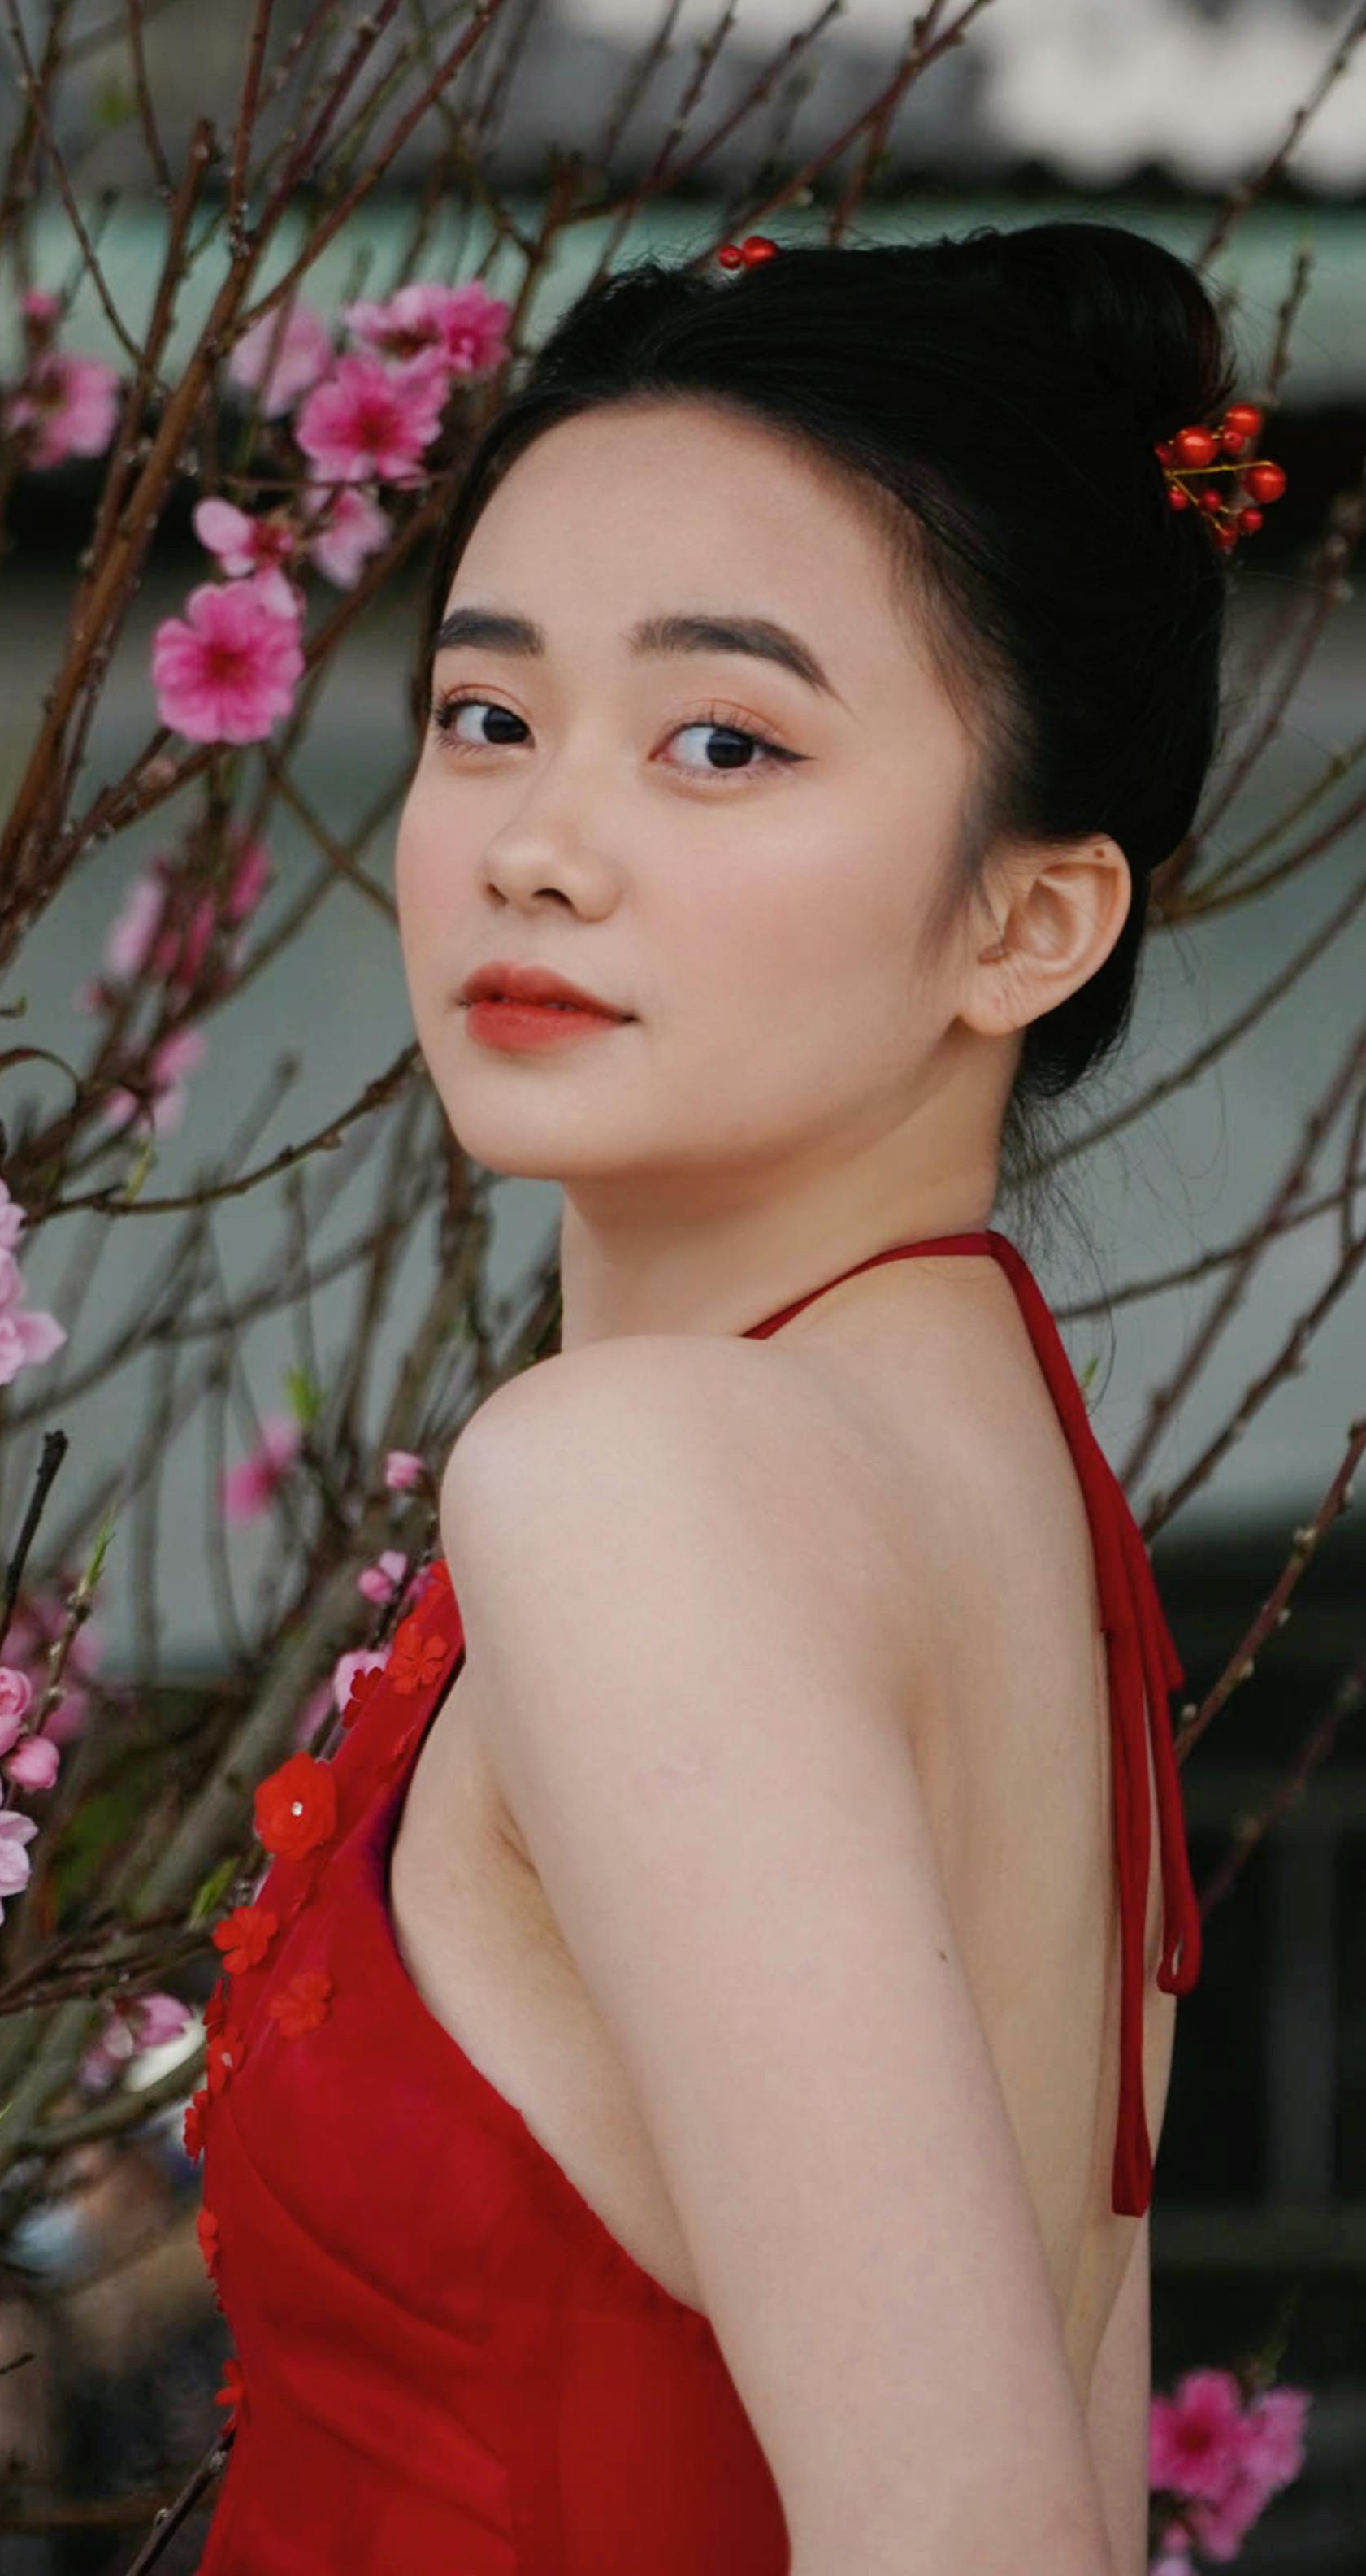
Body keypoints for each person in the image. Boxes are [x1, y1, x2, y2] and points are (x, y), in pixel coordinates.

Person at [190, 224, 1242, 2575]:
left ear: (1031, 921)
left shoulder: (647, 1480)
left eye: (723, 741)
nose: (540, 844)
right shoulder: (995, 1477)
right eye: (487, 715)